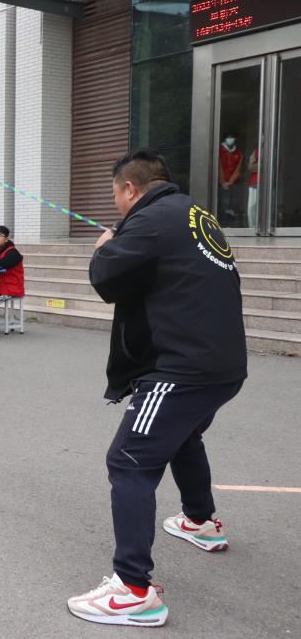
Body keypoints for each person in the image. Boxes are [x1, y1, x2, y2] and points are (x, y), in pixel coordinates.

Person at [67, 149, 248, 628]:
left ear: (130, 189)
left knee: (128, 460)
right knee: (183, 438)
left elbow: (106, 278)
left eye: (115, 195)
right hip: (222, 366)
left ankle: (133, 591)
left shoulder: (151, 220)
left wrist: (103, 246)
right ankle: (201, 522)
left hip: (181, 370)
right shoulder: (194, 215)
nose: (117, 205)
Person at [217, 132, 242, 224]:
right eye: (228, 137)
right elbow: (218, 167)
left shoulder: (238, 152)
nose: (230, 139)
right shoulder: (219, 151)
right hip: (222, 184)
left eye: (232, 137)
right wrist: (223, 182)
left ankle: (232, 223)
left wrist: (231, 182)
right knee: (224, 204)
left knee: (234, 204)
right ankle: (223, 223)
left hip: (234, 184)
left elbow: (238, 168)